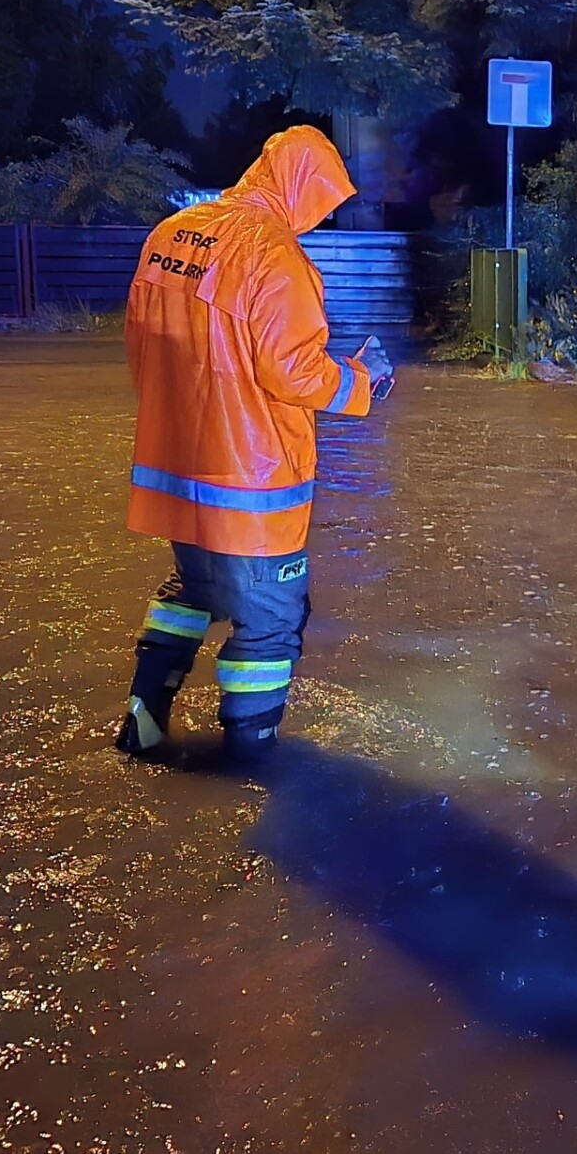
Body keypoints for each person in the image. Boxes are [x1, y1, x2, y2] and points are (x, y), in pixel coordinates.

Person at [117, 126, 392, 759]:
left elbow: (142, 345)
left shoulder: (171, 235)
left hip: (177, 470)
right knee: (270, 622)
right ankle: (250, 762)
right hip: (253, 484)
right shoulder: (275, 256)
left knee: (195, 591)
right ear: (301, 187)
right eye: (321, 202)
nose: (320, 218)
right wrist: (362, 381)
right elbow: (292, 370)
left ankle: (145, 713)